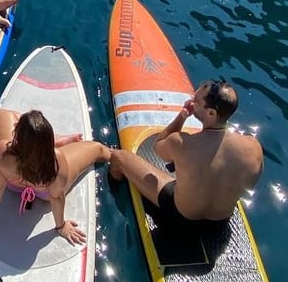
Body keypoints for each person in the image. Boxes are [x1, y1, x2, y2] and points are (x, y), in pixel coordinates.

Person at [108, 79, 264, 226]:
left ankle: (118, 196)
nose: (191, 102)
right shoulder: (254, 147)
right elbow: (249, 183)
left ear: (211, 113)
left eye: (195, 102)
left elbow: (157, 148)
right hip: (221, 222)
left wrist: (182, 116)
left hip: (181, 217)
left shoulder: (182, 143)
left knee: (117, 157)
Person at [0, 109, 110, 246]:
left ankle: (38, 138)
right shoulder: (56, 159)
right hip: (44, 193)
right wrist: (61, 226)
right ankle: (53, 141)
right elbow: (57, 197)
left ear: (17, 136)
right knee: (98, 149)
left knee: (3, 114)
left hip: (13, 185)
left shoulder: (2, 151)